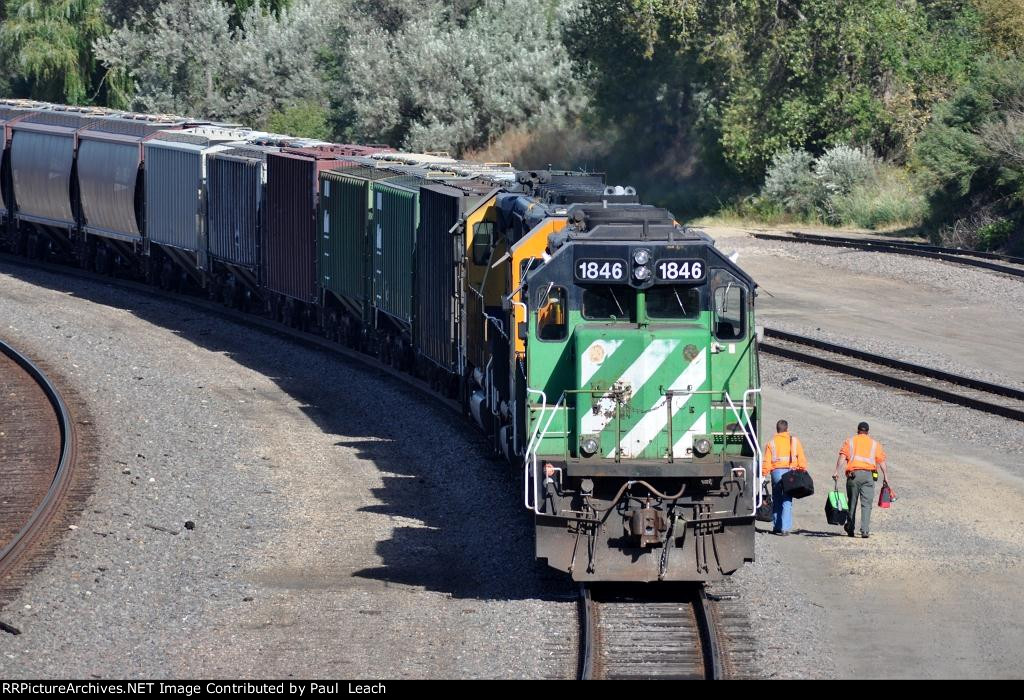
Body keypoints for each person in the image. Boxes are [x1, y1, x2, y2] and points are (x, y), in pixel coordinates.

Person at [833, 421, 893, 538]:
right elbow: (882, 462)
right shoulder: (875, 444)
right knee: (867, 504)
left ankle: (850, 528)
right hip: (868, 476)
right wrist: (886, 476)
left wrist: (836, 471)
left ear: (858, 431)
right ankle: (865, 530)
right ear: (868, 432)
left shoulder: (850, 441)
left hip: (853, 476)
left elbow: (842, 457)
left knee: (852, 503)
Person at [762, 419, 807, 535]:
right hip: (790, 474)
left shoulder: (771, 443)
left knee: (777, 499)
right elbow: (801, 458)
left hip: (776, 473)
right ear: (787, 429)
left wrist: (763, 474)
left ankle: (777, 527)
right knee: (787, 500)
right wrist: (802, 469)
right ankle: (785, 528)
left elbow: (767, 461)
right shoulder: (794, 441)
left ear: (777, 429)